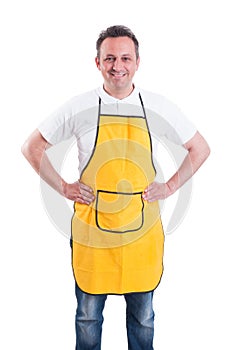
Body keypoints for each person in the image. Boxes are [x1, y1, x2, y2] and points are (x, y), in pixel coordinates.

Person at [22, 25, 210, 350]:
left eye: (125, 57)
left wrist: (169, 186)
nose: (117, 65)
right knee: (88, 317)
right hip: (93, 233)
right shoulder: (79, 107)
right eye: (109, 58)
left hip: (142, 234)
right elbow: (32, 147)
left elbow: (200, 148)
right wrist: (65, 187)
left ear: (138, 62)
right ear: (97, 63)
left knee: (143, 318)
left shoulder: (157, 107)